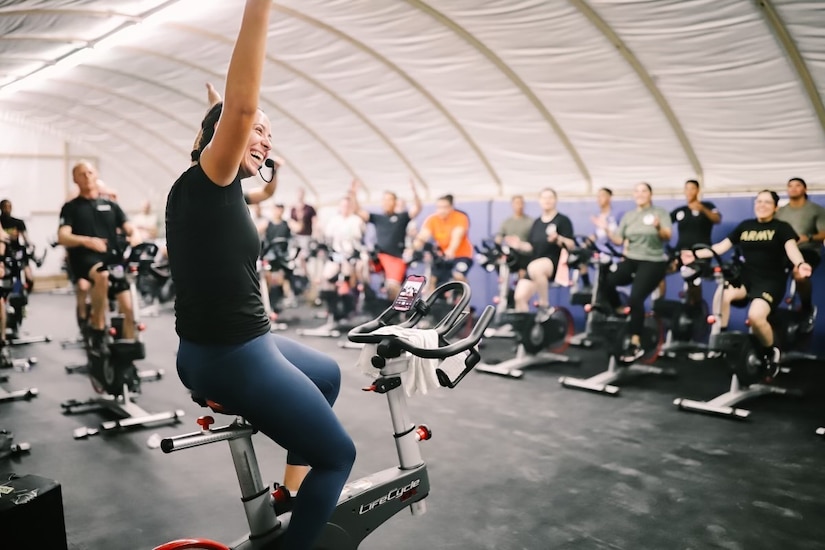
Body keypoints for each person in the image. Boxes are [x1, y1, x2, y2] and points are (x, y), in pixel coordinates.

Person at [164, 3, 355, 548]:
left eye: (269, 134)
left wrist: (220, 114)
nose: (265, 140)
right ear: (222, 136)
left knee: (329, 375)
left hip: (228, 346)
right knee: (339, 456)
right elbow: (241, 109)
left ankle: (290, 496)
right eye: (257, 131)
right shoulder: (207, 178)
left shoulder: (216, 188)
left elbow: (234, 123)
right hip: (232, 355)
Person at [702, 190, 812, 375]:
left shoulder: (781, 227)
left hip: (770, 282)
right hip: (746, 279)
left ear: (775, 207)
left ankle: (770, 352)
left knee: (755, 317)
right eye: (759, 201)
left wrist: (800, 263)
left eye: (767, 202)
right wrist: (693, 254)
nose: (761, 205)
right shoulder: (745, 226)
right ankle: (720, 337)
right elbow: (720, 247)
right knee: (723, 293)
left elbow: (791, 249)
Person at [57, 161, 140, 345]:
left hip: (112, 259)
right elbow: (63, 236)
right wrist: (88, 241)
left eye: (90, 172)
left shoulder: (111, 205)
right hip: (85, 259)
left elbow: (129, 227)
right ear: (74, 179)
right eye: (81, 174)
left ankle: (127, 349)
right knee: (101, 275)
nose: (87, 176)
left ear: (96, 175)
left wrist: (134, 235)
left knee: (128, 307)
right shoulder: (71, 207)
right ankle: (98, 326)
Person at [599, 182, 672, 363]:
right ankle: (619, 309)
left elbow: (667, 236)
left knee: (636, 298)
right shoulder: (629, 216)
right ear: (633, 195)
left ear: (650, 194)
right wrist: (607, 229)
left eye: (644, 191)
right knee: (606, 281)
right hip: (632, 259)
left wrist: (657, 227)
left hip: (653, 261)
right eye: (637, 191)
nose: (640, 194)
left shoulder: (660, 213)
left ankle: (635, 343)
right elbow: (618, 240)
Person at [506, 189, 575, 313]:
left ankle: (544, 305)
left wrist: (558, 238)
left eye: (550, 197)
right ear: (539, 201)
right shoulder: (537, 222)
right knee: (519, 297)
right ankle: (525, 328)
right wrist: (519, 244)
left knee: (535, 267)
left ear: (555, 200)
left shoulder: (562, 220)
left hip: (554, 263)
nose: (547, 200)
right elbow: (532, 246)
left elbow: (571, 244)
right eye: (544, 198)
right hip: (535, 264)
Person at [352, 177, 421, 299]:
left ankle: (398, 312)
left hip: (395, 258)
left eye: (389, 200)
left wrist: (414, 191)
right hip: (379, 257)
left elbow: (417, 209)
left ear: (395, 202)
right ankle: (366, 293)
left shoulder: (402, 217)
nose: (386, 202)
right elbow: (357, 210)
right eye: (384, 200)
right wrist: (353, 193)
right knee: (360, 262)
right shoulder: (377, 218)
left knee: (393, 289)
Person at [775, 177, 825, 332]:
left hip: (808, 250)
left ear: (805, 189)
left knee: (799, 274)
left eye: (797, 185)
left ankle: (806, 308)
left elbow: (823, 233)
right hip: (784, 252)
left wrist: (807, 238)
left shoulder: (816, 209)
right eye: (790, 186)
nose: (793, 188)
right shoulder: (781, 211)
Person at [668, 179, 721, 305]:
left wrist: (702, 209)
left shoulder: (708, 206)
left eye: (692, 188)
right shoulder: (680, 210)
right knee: (660, 269)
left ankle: (695, 307)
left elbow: (717, 219)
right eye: (687, 188)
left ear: (698, 190)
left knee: (694, 278)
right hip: (681, 253)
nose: (689, 191)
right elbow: (666, 223)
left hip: (701, 254)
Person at [409, 194, 474, 285]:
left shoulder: (460, 217)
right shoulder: (432, 219)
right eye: (439, 207)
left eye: (445, 207)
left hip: (462, 255)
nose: (441, 210)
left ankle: (463, 295)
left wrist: (451, 250)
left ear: (451, 207)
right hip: (441, 256)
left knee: (458, 276)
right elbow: (423, 236)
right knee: (432, 279)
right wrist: (412, 248)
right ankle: (431, 298)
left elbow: (457, 237)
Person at [581, 187, 619, 289]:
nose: (599, 199)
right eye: (597, 196)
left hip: (612, 252)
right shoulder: (597, 217)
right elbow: (595, 235)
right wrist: (585, 244)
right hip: (598, 251)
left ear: (609, 197)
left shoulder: (617, 215)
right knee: (579, 254)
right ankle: (586, 284)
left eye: (602, 196)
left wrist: (605, 227)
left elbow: (619, 238)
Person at [495, 195, 534, 279]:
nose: (519, 205)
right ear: (512, 205)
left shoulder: (530, 221)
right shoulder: (506, 222)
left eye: (521, 203)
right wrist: (498, 243)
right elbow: (499, 236)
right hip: (510, 254)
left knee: (523, 273)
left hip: (524, 255)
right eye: (517, 203)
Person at [0, 199, 34, 292]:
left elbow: (26, 237)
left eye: (9, 207)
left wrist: (30, 244)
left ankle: (24, 288)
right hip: (4, 253)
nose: (7, 209)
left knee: (27, 274)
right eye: (5, 207)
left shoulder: (17, 222)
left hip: (17, 250)